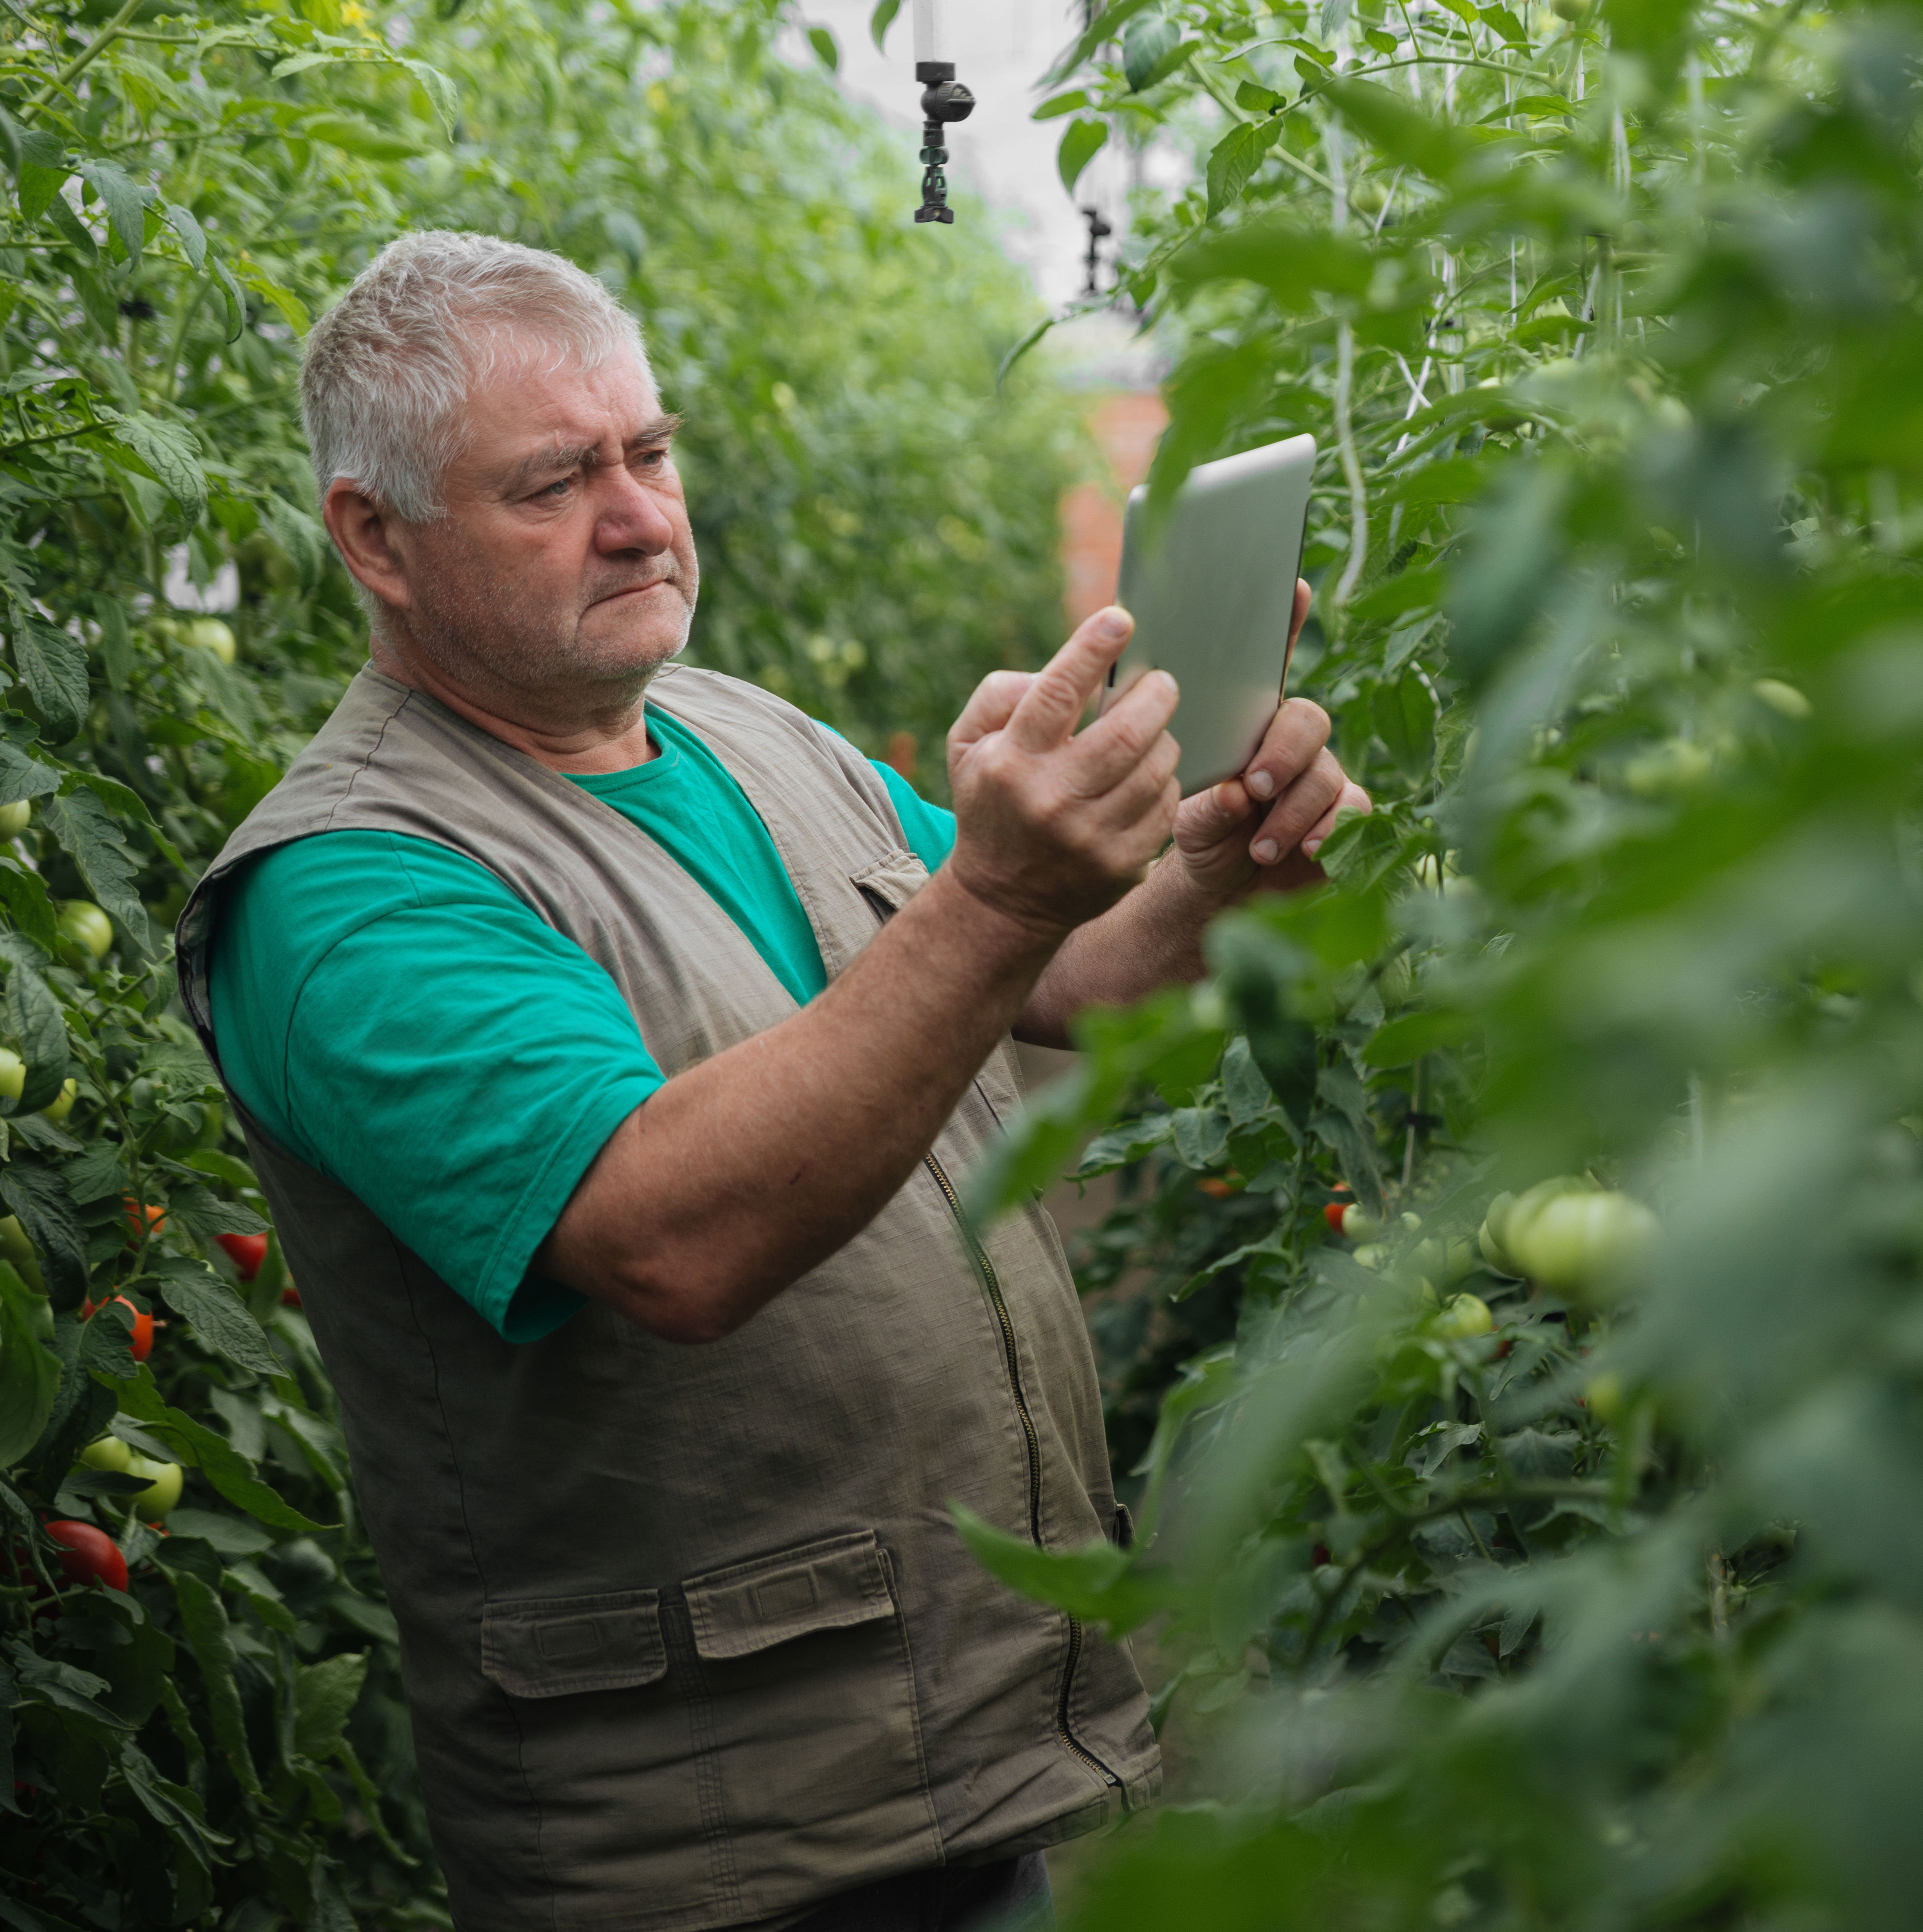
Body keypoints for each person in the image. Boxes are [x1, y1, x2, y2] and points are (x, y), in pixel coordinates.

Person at [175, 232, 1366, 1932]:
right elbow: (669, 1237)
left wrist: (1218, 872)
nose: (640, 516)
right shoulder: (349, 887)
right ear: (375, 535)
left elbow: (1067, 969)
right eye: (553, 483)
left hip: (955, 1760)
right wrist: (1005, 884)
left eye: (649, 454)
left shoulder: (744, 736)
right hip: (716, 1845)